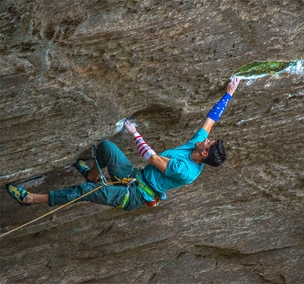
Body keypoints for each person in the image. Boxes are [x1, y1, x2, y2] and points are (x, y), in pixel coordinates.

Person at [6, 78, 241, 210]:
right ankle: (91, 175)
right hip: (135, 175)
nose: (206, 140)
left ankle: (30, 199)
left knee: (86, 193)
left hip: (134, 195)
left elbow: (152, 158)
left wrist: (134, 133)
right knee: (106, 147)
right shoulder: (195, 146)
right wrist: (228, 94)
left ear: (204, 155)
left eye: (208, 144)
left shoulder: (186, 171)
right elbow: (211, 119)